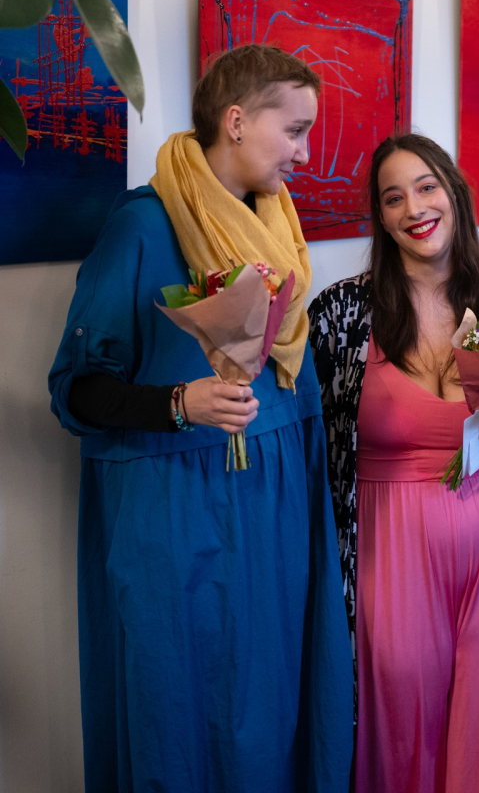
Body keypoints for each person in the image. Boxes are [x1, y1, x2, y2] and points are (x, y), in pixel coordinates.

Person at [47, 43, 354, 792]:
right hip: (176, 518)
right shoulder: (143, 227)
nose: (305, 153)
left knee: (273, 703)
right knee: (177, 706)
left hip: (274, 511)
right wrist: (178, 404)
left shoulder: (277, 229)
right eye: (295, 130)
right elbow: (76, 391)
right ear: (237, 121)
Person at [308, 133, 479, 793]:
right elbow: (310, 444)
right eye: (393, 198)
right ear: (381, 216)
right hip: (386, 556)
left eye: (427, 187)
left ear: (454, 194)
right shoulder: (341, 314)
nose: (415, 208)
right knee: (397, 721)